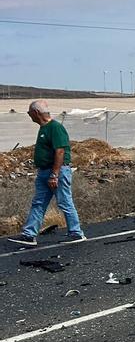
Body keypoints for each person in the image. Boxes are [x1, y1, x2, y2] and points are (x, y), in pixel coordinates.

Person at [8, 100, 85, 246]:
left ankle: (76, 233)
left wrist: (54, 174)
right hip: (44, 171)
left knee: (64, 201)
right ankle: (29, 234)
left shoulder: (55, 128)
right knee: (38, 203)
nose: (28, 114)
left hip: (56, 171)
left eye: (29, 112)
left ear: (36, 113)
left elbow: (60, 151)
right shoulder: (43, 128)